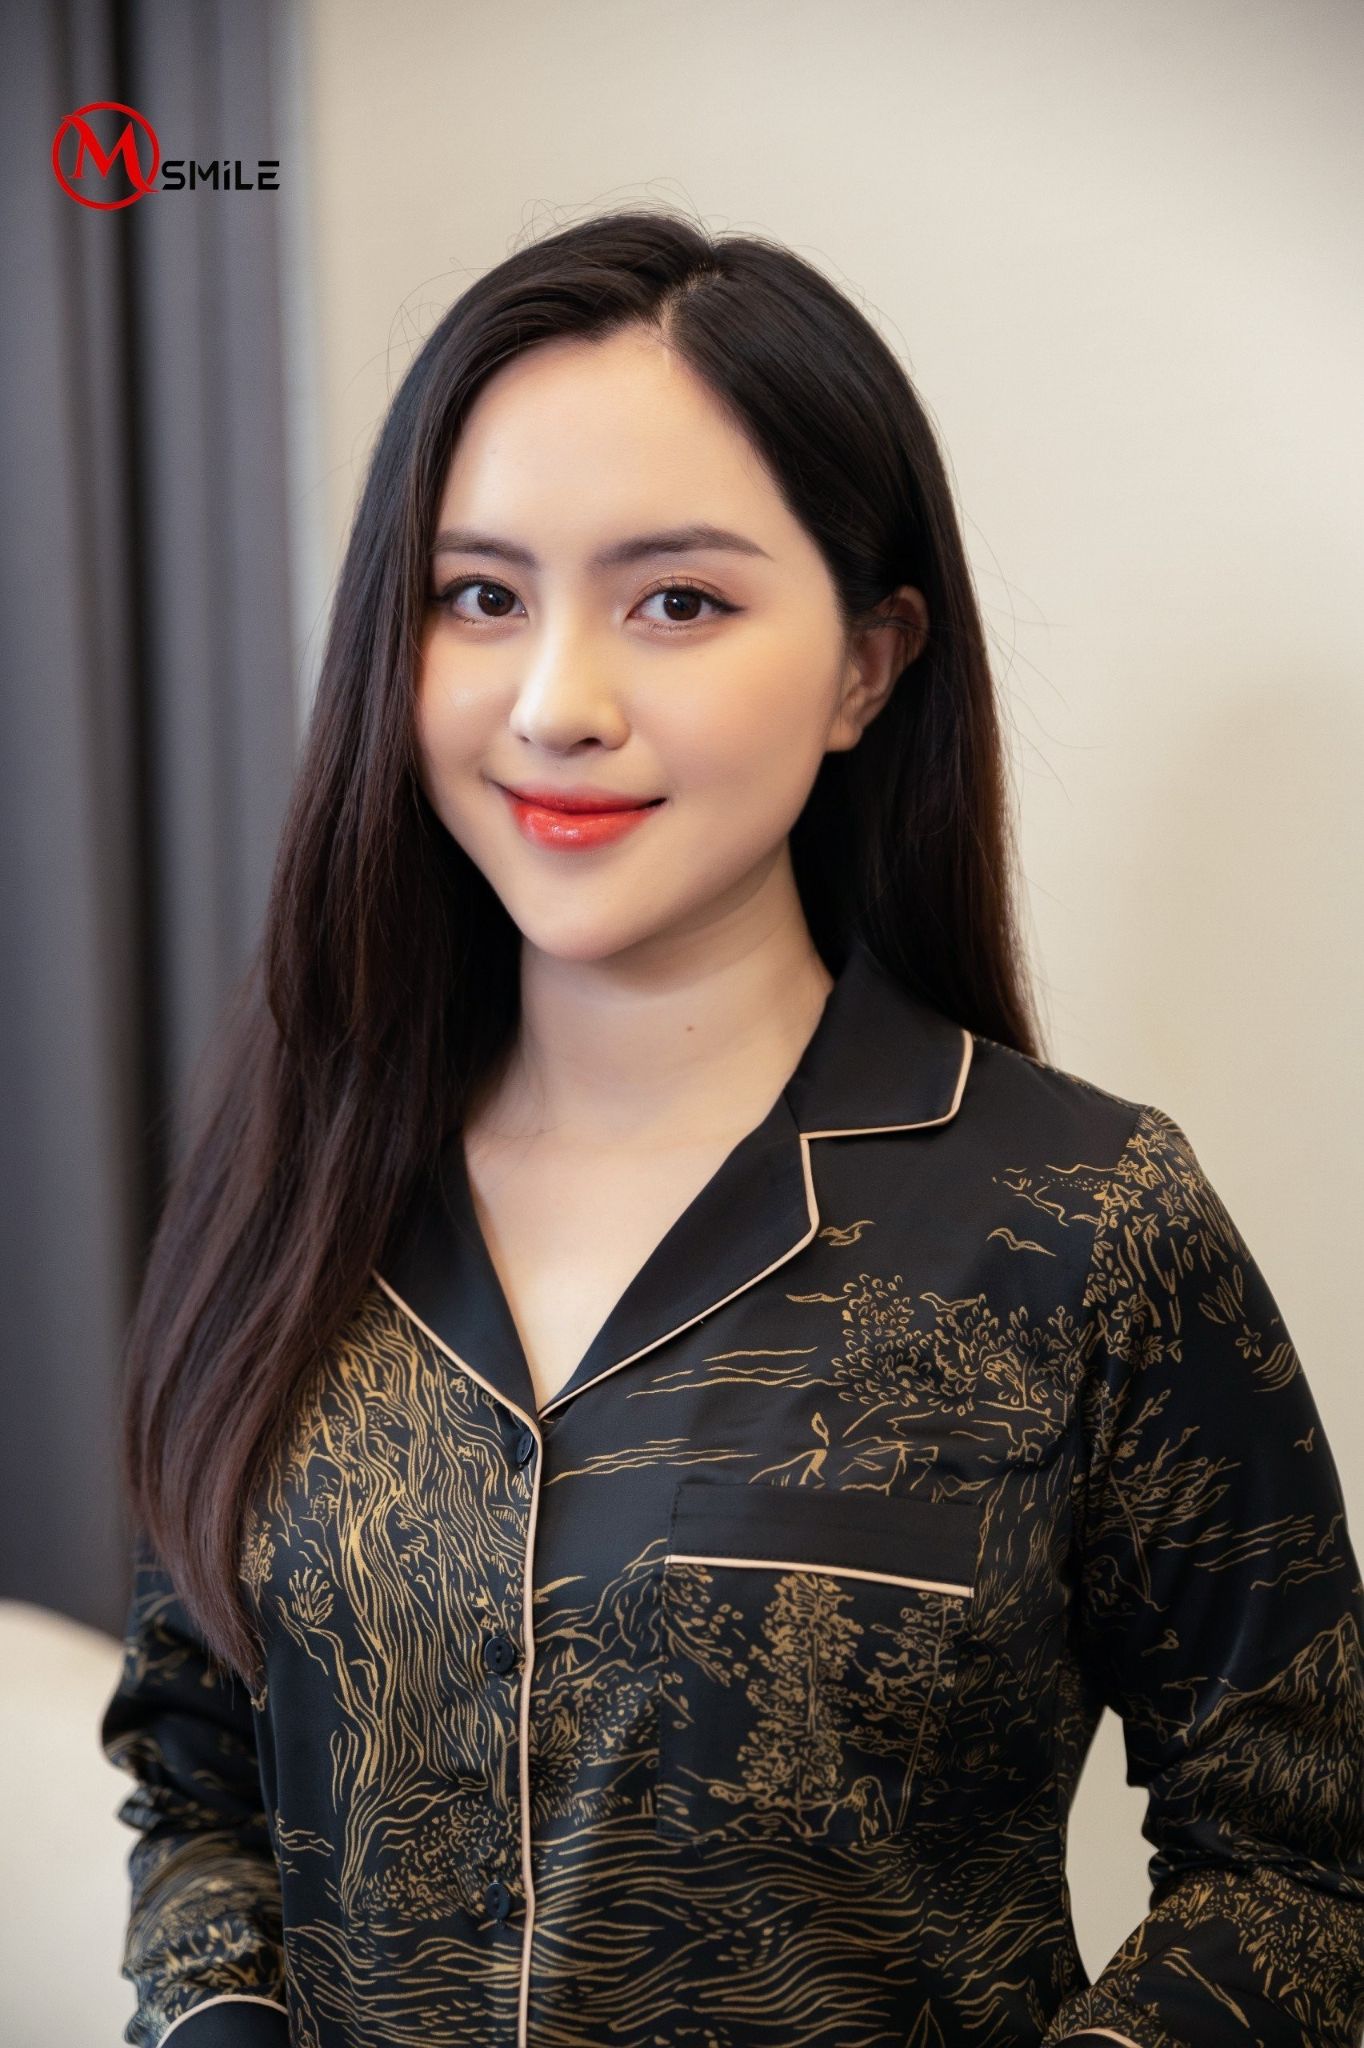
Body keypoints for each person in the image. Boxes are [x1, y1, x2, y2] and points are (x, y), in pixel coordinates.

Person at [98, 207, 1364, 2048]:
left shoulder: (1084, 1223)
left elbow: (1305, 1863)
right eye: (480, 597)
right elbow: (196, 1765)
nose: (559, 704)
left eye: (677, 601)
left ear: (868, 663)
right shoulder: (297, 1196)